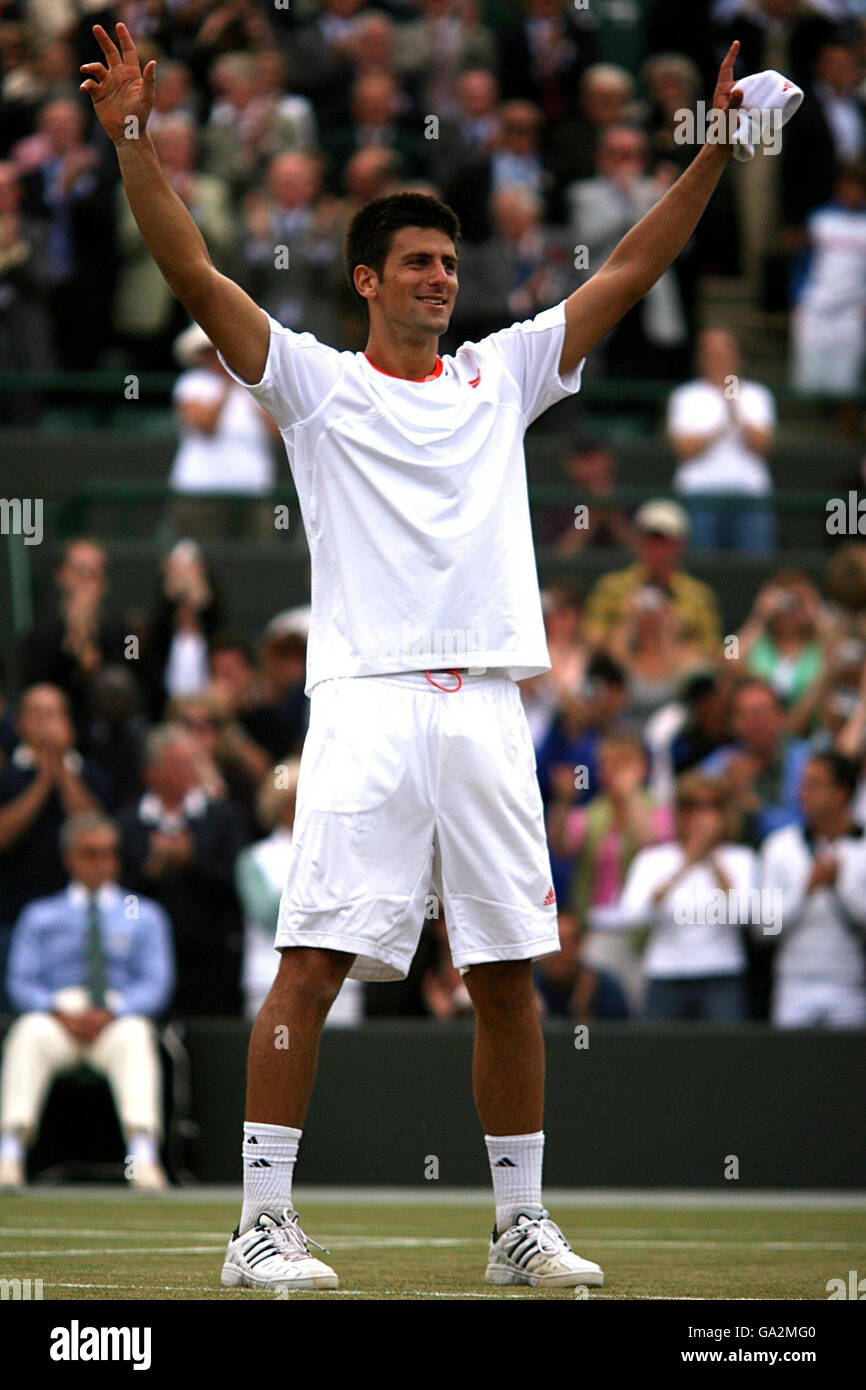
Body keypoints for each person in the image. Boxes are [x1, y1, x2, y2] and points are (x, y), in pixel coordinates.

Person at [83, 20, 748, 1292]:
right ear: (369, 283)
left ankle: (515, 1228)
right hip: (368, 704)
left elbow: (629, 265)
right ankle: (258, 1225)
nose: (442, 278)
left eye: (448, 261)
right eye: (418, 264)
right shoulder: (317, 386)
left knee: (510, 974)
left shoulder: (502, 375)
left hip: (491, 705)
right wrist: (129, 134)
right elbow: (192, 271)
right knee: (315, 959)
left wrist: (711, 154)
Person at [0, 812, 174, 1190]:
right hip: (56, 1018)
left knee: (136, 1035)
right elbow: (19, 982)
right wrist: (54, 1010)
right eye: (91, 854)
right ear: (69, 857)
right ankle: (9, 1153)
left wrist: (115, 1010)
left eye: (109, 854)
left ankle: (143, 1155)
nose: (102, 863)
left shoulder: (142, 913)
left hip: (114, 1017)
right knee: (27, 1033)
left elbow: (156, 984)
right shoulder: (40, 914)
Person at [590, 772, 755, 1021]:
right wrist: (686, 864)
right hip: (665, 974)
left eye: (712, 806)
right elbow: (631, 916)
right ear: (680, 812)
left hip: (721, 974)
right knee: (658, 1057)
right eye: (692, 806)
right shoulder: (653, 859)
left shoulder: (742, 859)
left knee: (725, 1057)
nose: (701, 815)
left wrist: (710, 859)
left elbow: (746, 916)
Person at [760, 753, 866, 1027]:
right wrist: (806, 890)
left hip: (851, 985)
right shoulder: (779, 847)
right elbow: (763, 929)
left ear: (840, 793)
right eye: (803, 783)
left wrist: (840, 888)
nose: (802, 792)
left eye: (814, 784)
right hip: (793, 985)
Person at [667, 328, 776, 554]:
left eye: (724, 354)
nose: (719, 361)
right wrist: (721, 424)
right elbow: (684, 448)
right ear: (700, 359)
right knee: (700, 566)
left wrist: (735, 408)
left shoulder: (758, 395)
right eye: (712, 355)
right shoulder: (684, 396)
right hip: (699, 495)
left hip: (750, 495)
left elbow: (763, 445)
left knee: (754, 567)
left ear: (737, 357)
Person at [583, 499, 722, 659]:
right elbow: (591, 640)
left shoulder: (699, 595)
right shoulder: (610, 587)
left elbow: (711, 650)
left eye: (664, 541)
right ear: (638, 541)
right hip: (619, 675)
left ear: (681, 543)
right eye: (649, 539)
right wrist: (628, 621)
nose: (656, 548)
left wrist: (672, 629)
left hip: (678, 676)